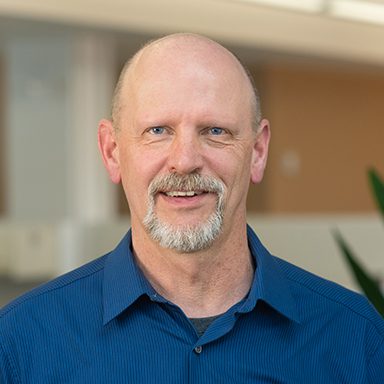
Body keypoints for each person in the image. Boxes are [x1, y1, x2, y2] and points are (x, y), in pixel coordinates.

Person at [1, 33, 383, 383]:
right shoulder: (21, 343)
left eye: (215, 131)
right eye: (157, 131)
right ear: (112, 151)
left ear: (258, 152)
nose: (184, 161)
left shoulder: (356, 338)